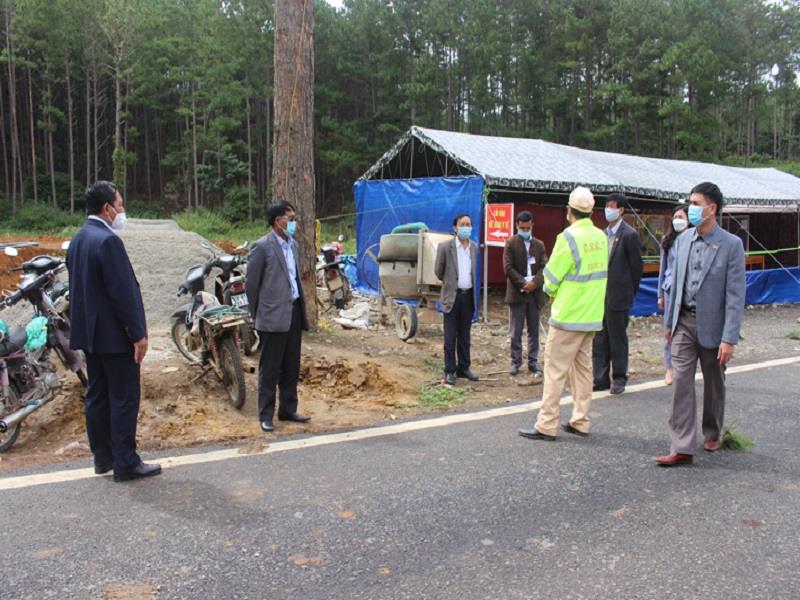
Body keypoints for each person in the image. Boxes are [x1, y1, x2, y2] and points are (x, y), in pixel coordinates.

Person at [67, 181, 160, 482]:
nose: (122, 211)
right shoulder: (108, 242)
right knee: (123, 398)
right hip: (115, 337)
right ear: (107, 208)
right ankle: (126, 462)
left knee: (98, 395)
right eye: (119, 205)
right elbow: (122, 293)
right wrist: (138, 334)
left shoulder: (79, 238)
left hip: (91, 336)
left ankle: (102, 457)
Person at [655, 182, 745, 466]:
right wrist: (669, 323)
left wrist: (729, 338)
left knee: (714, 383)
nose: (690, 209)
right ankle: (681, 446)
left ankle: (712, 431)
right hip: (683, 322)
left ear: (711, 208)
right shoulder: (682, 241)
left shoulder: (731, 245)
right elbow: (676, 285)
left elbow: (735, 295)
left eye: (696, 203)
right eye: (690, 203)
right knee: (681, 381)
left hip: (714, 327)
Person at [519, 187, 608, 441]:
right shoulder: (601, 237)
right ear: (591, 211)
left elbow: (551, 279)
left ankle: (547, 424)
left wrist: (550, 291)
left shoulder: (567, 237)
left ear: (569, 210)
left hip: (568, 314)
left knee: (555, 370)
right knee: (583, 369)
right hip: (591, 315)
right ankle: (580, 419)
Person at [246, 200, 311, 433]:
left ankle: (288, 409)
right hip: (272, 316)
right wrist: (258, 315)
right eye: (290, 219)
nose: (293, 223)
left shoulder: (292, 245)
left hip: (292, 311)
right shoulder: (262, 247)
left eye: (294, 218)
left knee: (291, 365)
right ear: (277, 221)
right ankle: (265, 415)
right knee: (270, 369)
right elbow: (251, 286)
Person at [592, 192, 643, 395]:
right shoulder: (601, 235)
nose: (609, 210)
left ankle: (619, 378)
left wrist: (628, 292)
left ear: (621, 210)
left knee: (617, 338)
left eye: (612, 206)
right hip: (600, 296)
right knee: (599, 338)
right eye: (607, 206)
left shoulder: (629, 234)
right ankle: (600, 378)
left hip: (619, 296)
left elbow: (636, 268)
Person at [434, 213, 479, 386]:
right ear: (455, 227)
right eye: (463, 224)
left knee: (465, 336)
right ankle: (449, 371)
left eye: (468, 224)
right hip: (452, 296)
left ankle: (464, 367)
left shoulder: (473, 248)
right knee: (450, 336)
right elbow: (439, 271)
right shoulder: (446, 247)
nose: (466, 227)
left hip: (468, 297)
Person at [503, 210, 547, 377]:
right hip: (518, 292)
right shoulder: (510, 243)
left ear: (532, 226)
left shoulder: (539, 245)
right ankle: (515, 362)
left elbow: (544, 267)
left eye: (528, 228)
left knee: (534, 330)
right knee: (516, 331)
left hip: (534, 294)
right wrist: (523, 283)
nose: (525, 230)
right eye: (522, 227)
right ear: (516, 226)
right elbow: (508, 268)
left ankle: (533, 361)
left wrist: (534, 283)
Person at [657, 205, 692, 385]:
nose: (677, 220)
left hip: (688, 290)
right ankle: (669, 368)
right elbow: (662, 269)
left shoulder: (694, 238)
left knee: (686, 330)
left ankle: (683, 367)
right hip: (670, 289)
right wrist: (660, 294)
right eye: (675, 216)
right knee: (669, 330)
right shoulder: (667, 240)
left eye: (681, 216)